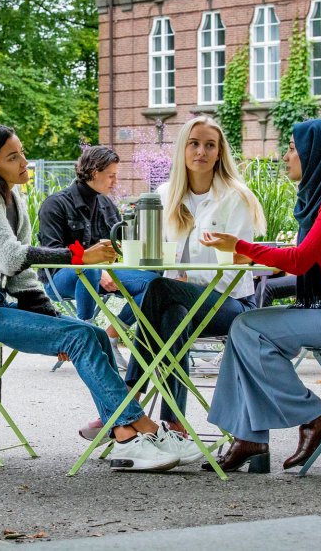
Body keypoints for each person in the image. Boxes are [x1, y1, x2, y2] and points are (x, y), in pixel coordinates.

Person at [0, 124, 202, 471]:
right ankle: (139, 430)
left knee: (95, 334)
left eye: (22, 151)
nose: (24, 161)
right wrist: (79, 257)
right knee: (80, 335)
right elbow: (10, 257)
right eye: (13, 157)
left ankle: (122, 433)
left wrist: (49, 319)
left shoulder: (12, 198)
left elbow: (22, 276)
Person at [202, 119, 321, 474]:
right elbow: (312, 259)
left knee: (248, 328)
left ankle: (312, 417)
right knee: (244, 329)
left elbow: (302, 257)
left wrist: (242, 247)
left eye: (293, 148)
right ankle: (249, 436)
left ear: (316, 154)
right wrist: (272, 263)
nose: (287, 155)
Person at [116, 116, 265, 436]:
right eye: (194, 143)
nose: (202, 151)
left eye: (210, 145)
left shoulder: (235, 197)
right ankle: (174, 422)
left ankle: (127, 404)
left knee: (160, 291)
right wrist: (125, 267)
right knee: (171, 313)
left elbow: (236, 268)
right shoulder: (164, 194)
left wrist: (184, 280)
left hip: (229, 304)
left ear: (219, 152)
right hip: (175, 301)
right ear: (182, 149)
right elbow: (151, 256)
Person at [37, 146, 158, 369]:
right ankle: (85, 336)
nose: (115, 181)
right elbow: (51, 255)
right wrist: (95, 267)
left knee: (155, 282)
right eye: (111, 175)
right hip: (60, 279)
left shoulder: (106, 204)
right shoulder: (55, 204)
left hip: (103, 273)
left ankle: (111, 335)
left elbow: (120, 245)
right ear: (94, 171)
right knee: (90, 271)